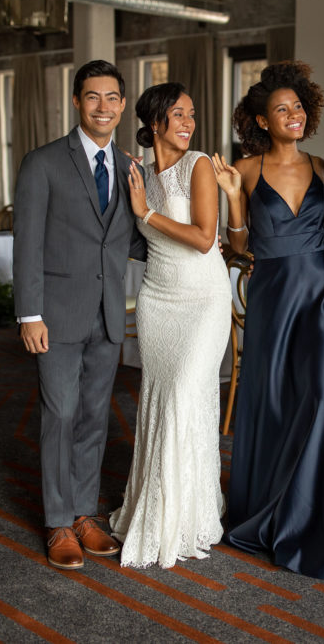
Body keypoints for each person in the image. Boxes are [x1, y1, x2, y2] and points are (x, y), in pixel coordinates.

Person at [215, 61, 324, 580]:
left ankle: (320, 505)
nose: (293, 115)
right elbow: (237, 246)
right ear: (261, 121)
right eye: (281, 110)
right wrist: (234, 198)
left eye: (297, 106)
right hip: (273, 295)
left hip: (322, 292)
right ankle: (270, 504)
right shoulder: (248, 169)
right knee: (274, 400)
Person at [12, 60, 147, 571]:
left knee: (95, 417)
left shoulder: (131, 166)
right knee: (60, 414)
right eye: (93, 97)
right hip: (56, 314)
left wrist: (191, 243)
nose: (104, 107)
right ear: (76, 102)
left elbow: (132, 238)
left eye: (113, 98)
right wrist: (29, 314)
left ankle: (86, 513)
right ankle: (57, 522)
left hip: (110, 314)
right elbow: (27, 243)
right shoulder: (43, 162)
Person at [109, 82, 230, 568]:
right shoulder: (138, 173)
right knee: (160, 400)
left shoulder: (198, 164)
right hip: (156, 299)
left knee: (183, 394)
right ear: (155, 121)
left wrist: (148, 213)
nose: (188, 123)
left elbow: (204, 238)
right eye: (178, 115)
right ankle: (156, 507)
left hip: (202, 298)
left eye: (192, 115)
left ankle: (185, 517)